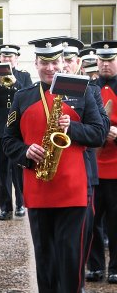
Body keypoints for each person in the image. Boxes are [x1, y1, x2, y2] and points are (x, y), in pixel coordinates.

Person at [2, 36, 104, 293]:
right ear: (35, 64)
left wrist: (74, 128)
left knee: (70, 260)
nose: (50, 68)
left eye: (55, 62)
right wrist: (26, 151)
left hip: (74, 190)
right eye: (44, 63)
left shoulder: (83, 91)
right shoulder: (23, 97)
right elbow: (8, 141)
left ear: (63, 62)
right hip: (38, 189)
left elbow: (98, 133)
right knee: (45, 261)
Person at [61, 37, 110, 290]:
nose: (64, 64)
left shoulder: (89, 91)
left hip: (83, 173)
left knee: (82, 232)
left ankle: (78, 279)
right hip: (51, 176)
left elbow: (98, 132)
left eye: (68, 60)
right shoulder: (36, 91)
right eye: (61, 60)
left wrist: (72, 129)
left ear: (78, 63)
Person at [0, 44, 33, 221]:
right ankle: (5, 207)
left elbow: (29, 96)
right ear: (0, 58)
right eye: (4, 56)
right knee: (2, 171)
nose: (7, 59)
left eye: (11, 57)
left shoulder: (24, 76)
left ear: (16, 59)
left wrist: (15, 83)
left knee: (18, 169)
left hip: (18, 129)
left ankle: (20, 204)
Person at [86, 40, 117, 285]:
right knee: (93, 222)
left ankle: (116, 267)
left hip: (116, 166)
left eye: (110, 60)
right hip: (94, 166)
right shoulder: (89, 88)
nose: (105, 64)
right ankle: (95, 266)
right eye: (102, 60)